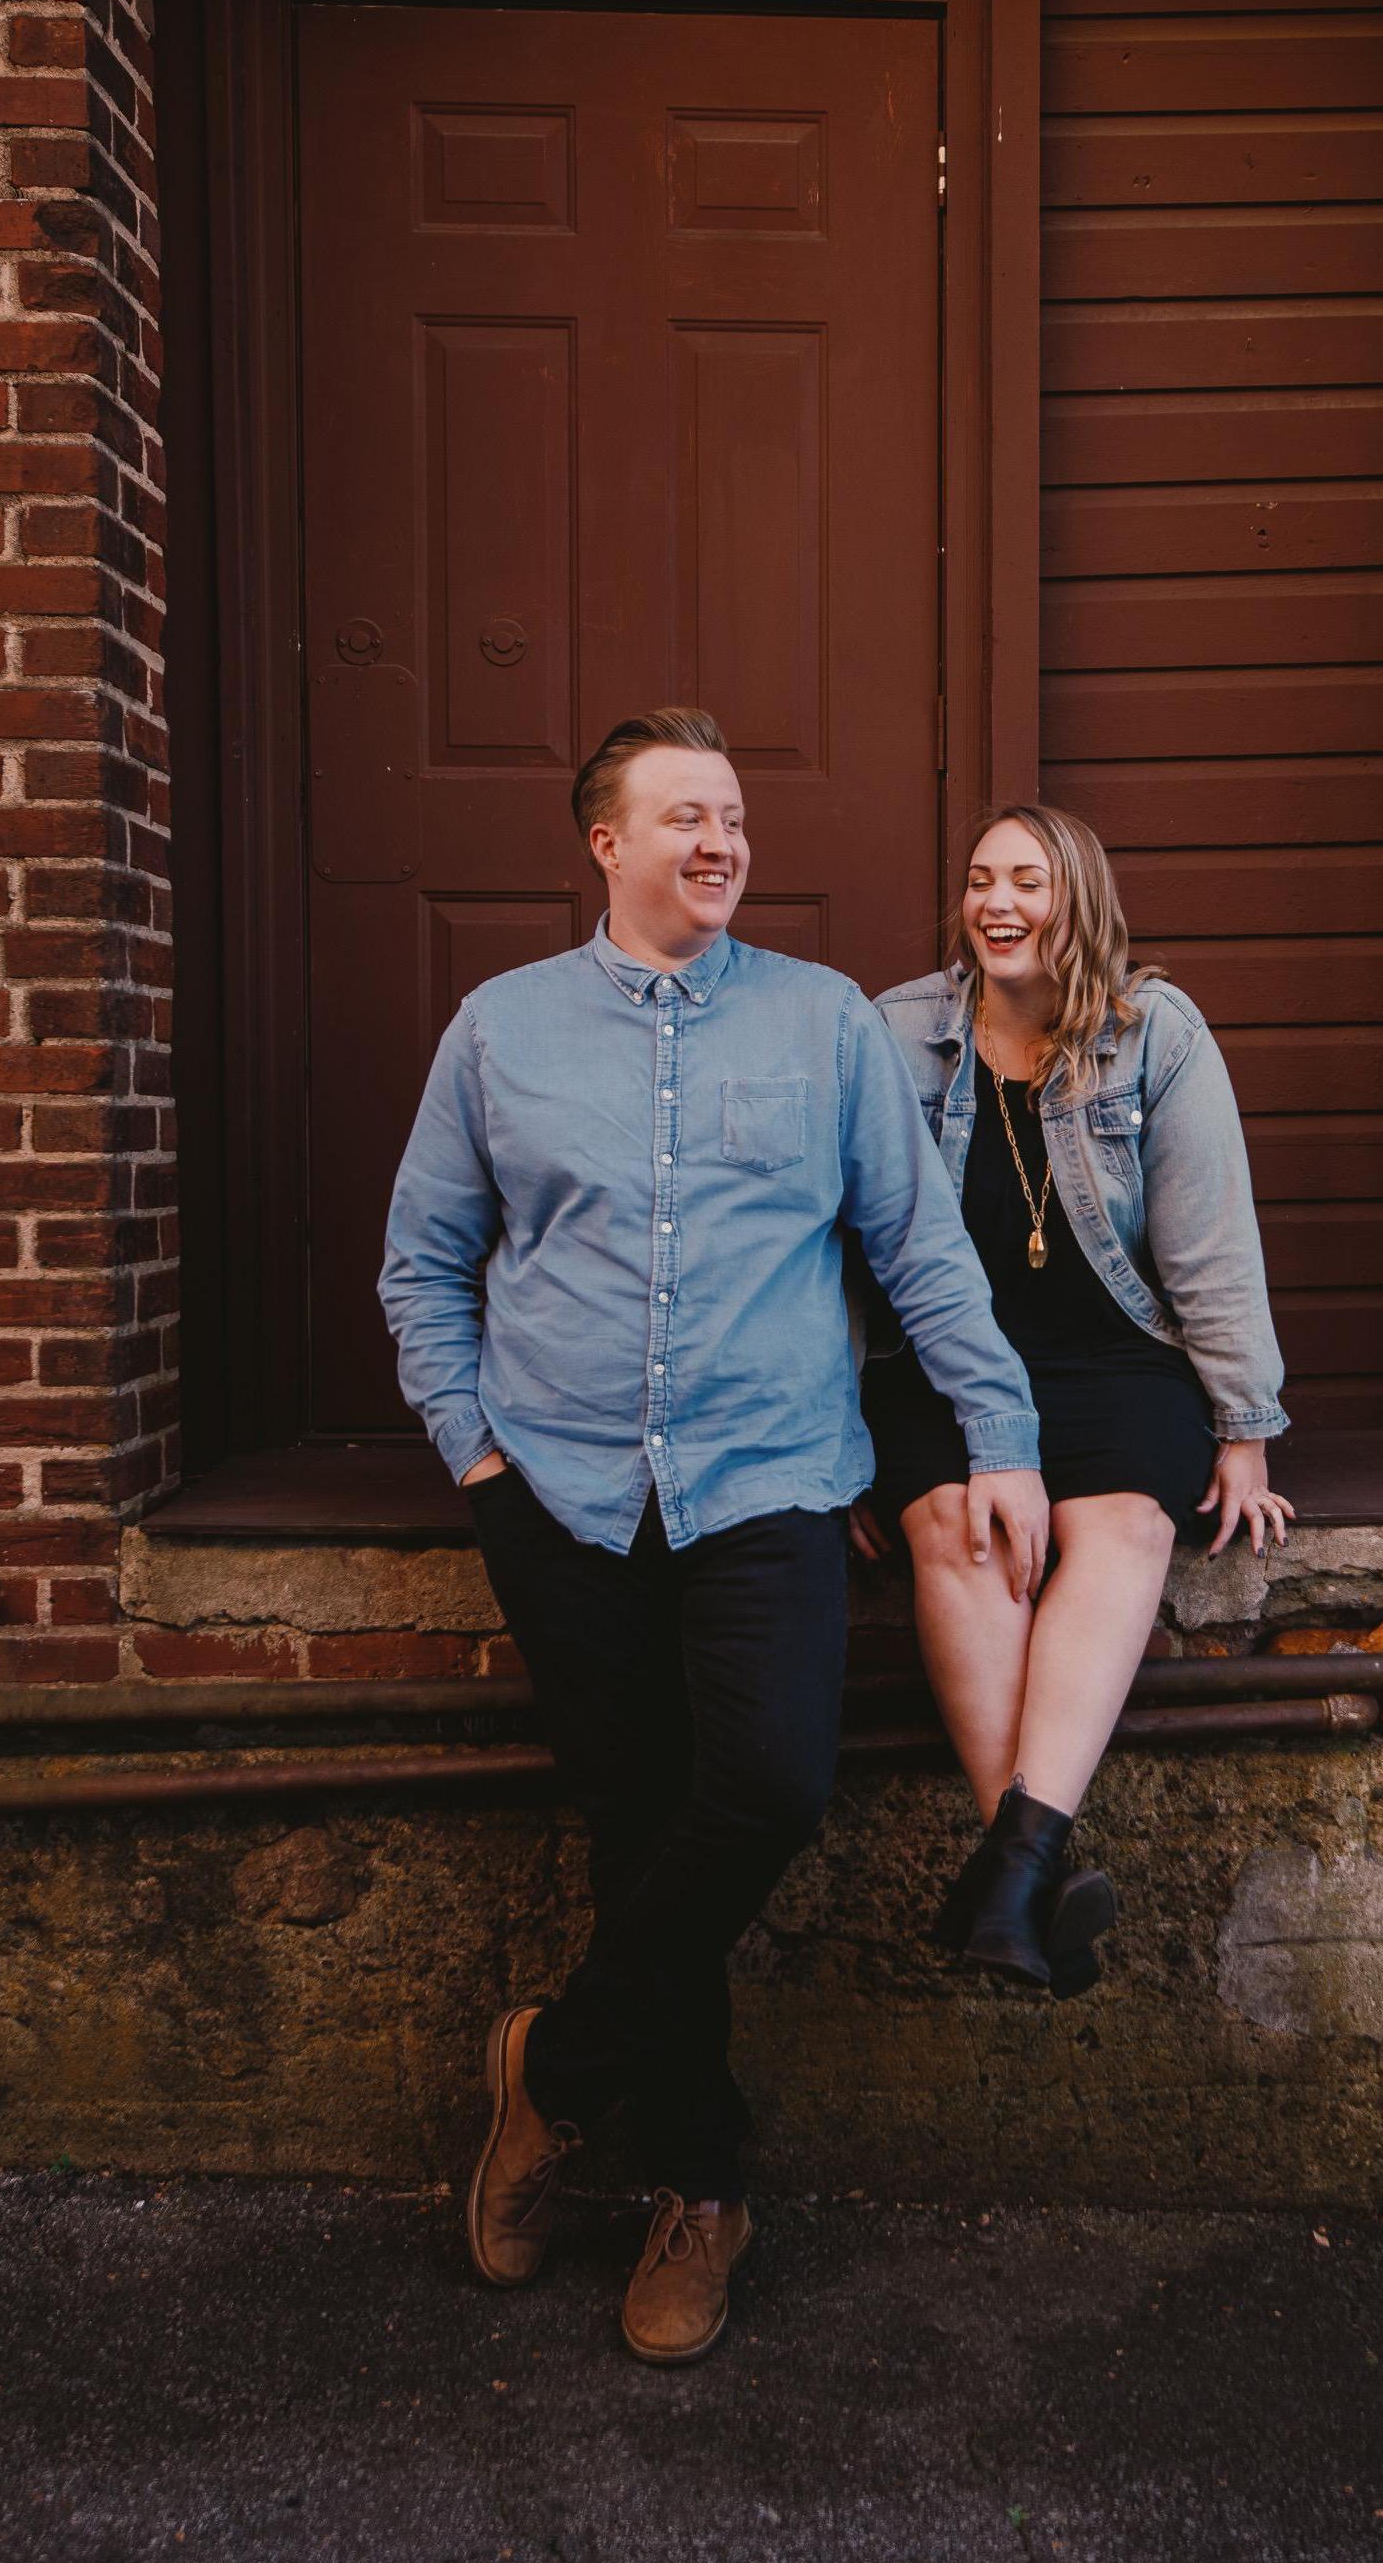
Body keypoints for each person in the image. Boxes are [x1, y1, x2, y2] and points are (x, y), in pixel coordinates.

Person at [378, 706, 1048, 2366]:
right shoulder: (500, 1030)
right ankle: (703, 2189)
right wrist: (475, 1456)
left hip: (770, 1484)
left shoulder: (822, 1025)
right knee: (636, 1828)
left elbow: (919, 1251)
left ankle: (553, 2072)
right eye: (685, 815)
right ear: (604, 843)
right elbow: (424, 1264)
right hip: (562, 1494)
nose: (721, 841)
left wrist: (1004, 1436)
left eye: (734, 816)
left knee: (766, 1787)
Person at [864, 803, 1293, 1996]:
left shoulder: (1154, 1034)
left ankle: (1009, 1877)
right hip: (943, 1364)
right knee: (957, 1528)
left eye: (1026, 881)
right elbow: (841, 1249)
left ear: (1078, 899)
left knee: (1125, 1525)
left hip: (1113, 1356)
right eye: (978, 879)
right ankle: (1029, 1875)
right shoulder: (896, 1034)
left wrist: (1243, 1426)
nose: (995, 903)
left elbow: (1209, 1241)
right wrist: (829, 1440)